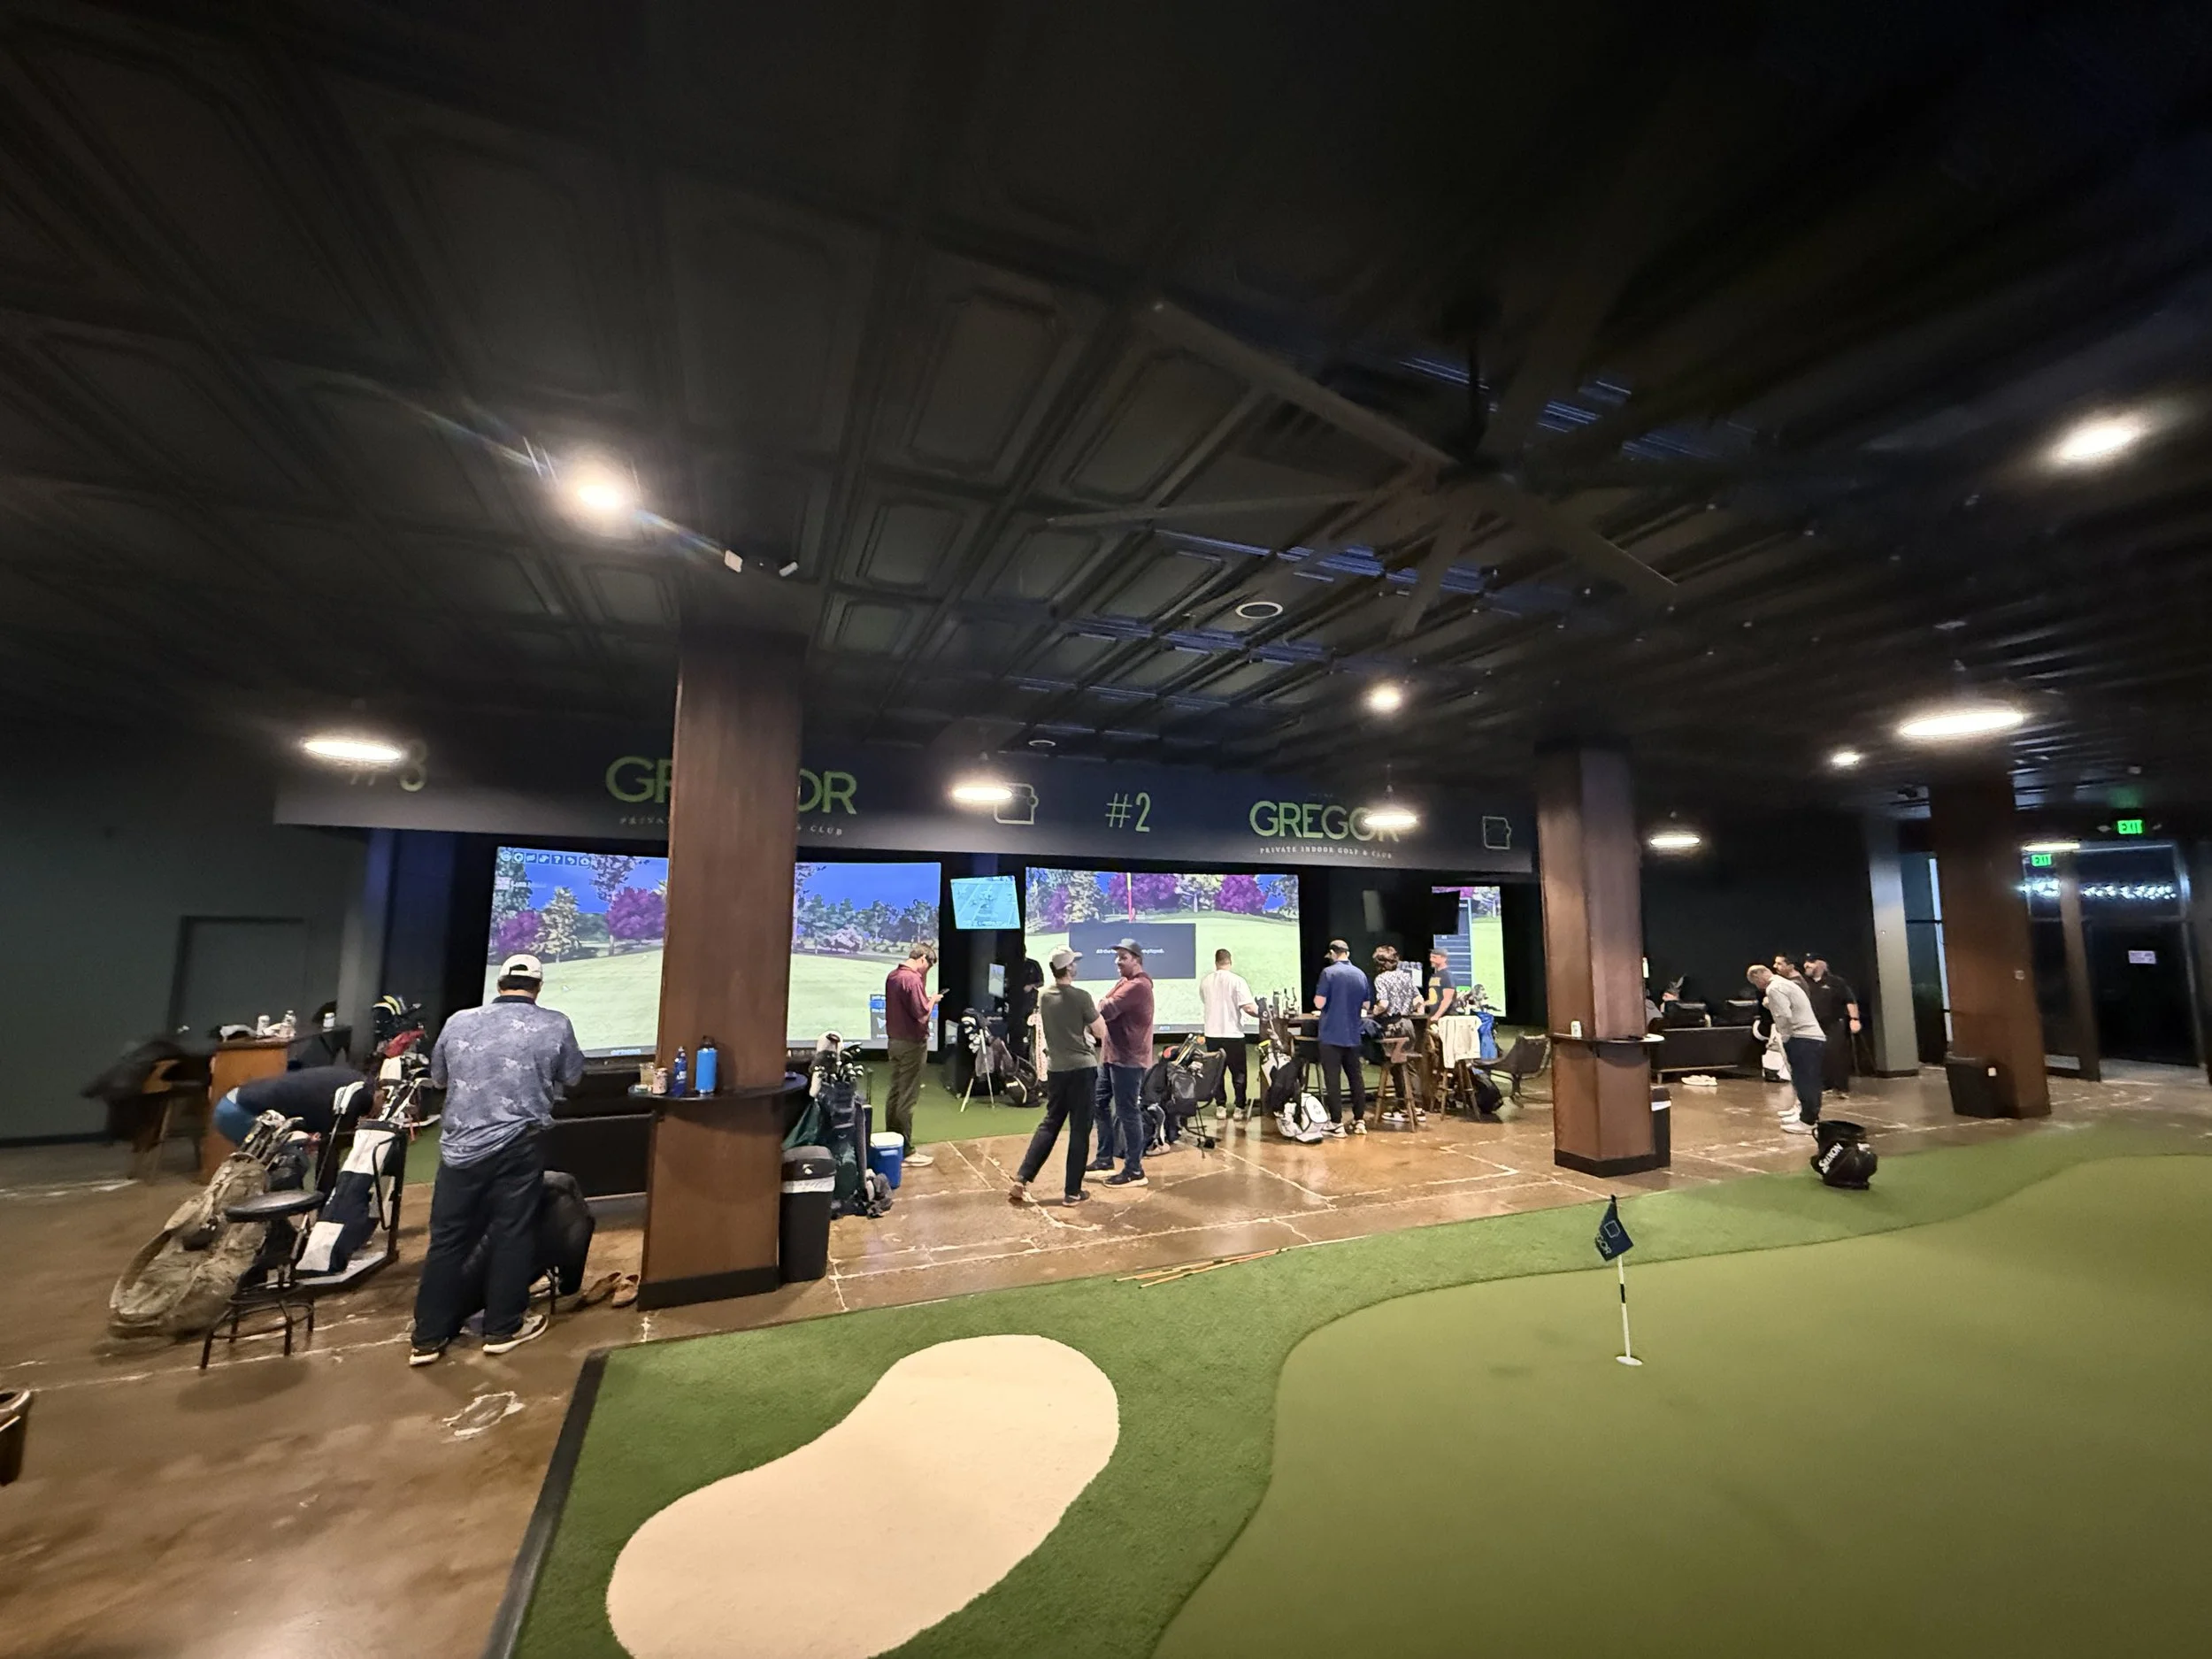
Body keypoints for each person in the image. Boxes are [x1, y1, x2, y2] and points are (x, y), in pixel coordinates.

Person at [409, 953, 582, 1365]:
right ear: (537, 987)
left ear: (500, 984)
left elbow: (439, 1078)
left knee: (447, 1240)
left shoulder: (458, 1021)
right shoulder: (555, 1023)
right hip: (519, 1145)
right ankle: (502, 1328)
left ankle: (427, 1338)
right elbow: (573, 1076)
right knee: (512, 1232)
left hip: (459, 1148)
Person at [1009, 949, 1106, 1207]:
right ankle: (1072, 1192)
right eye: (1074, 963)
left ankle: (1022, 1178)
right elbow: (1101, 1032)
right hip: (1082, 1069)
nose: (1076, 966)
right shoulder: (1081, 996)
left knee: (1050, 1123)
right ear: (1069, 968)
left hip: (1056, 1070)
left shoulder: (1043, 995)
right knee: (1080, 1129)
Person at [1088, 939, 1156, 1187]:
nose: (1118, 962)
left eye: (1123, 957)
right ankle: (1104, 1159)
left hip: (1128, 1059)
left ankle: (1134, 1169)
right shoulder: (1125, 982)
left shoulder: (1138, 986)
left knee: (1128, 1112)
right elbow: (1104, 1005)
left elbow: (1105, 1008)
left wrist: (1103, 1004)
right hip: (1111, 1056)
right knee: (1099, 1103)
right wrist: (1103, 1004)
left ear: (1137, 960)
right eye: (1117, 957)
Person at [883, 942, 942, 1170]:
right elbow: (922, 1014)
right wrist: (933, 1000)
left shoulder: (893, 976)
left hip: (894, 1042)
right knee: (907, 1097)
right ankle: (906, 1151)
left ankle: (892, 1142)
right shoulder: (912, 980)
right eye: (928, 966)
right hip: (912, 1045)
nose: (927, 971)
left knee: (895, 1092)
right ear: (923, 959)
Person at [211, 1062, 366, 1148]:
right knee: (289, 1163)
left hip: (236, 1099)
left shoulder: (354, 1080)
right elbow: (325, 1140)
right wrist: (307, 1139)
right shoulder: (348, 1100)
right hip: (240, 1110)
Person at [1747, 963, 1824, 1136]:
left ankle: (1809, 1121)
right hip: (1809, 1037)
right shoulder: (1784, 984)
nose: (1758, 987)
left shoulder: (1774, 988)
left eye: (1755, 983)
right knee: (1805, 1080)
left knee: (1805, 1081)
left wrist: (1785, 1037)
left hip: (1801, 1038)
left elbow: (1783, 1016)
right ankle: (1806, 1116)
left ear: (1758, 977)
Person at [1313, 939, 1371, 1135]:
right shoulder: (1360, 974)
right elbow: (1366, 1005)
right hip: (1353, 1034)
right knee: (1356, 1078)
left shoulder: (1328, 973)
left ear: (1332, 953)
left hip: (1331, 1034)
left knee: (1333, 1079)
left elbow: (1319, 1003)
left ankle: (1336, 1123)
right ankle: (1360, 1120)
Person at [1198, 948, 1258, 1114]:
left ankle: (1221, 1106)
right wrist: (1262, 1013)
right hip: (1233, 1034)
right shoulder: (1237, 981)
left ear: (1216, 962)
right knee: (1238, 1073)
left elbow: (1205, 1000)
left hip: (1212, 1034)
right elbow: (1248, 1007)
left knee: (1217, 1072)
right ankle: (1239, 1107)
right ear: (1230, 962)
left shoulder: (1206, 981)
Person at [1371, 946, 1423, 1122]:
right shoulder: (1405, 976)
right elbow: (1418, 1000)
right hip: (1408, 1025)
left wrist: (1374, 1011)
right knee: (1409, 1066)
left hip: (1392, 1026)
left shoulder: (1381, 979)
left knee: (1394, 1065)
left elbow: (1384, 1004)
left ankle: (1403, 1108)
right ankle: (1417, 1107)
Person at [1802, 954, 1861, 1096]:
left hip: (1834, 1023)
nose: (1807, 965)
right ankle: (1824, 1086)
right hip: (1812, 1025)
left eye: (1811, 962)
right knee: (1817, 1055)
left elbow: (1849, 1001)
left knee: (1836, 1054)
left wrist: (1854, 1019)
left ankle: (1841, 1088)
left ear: (1822, 964)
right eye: (1806, 962)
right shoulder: (1804, 983)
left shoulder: (1836, 982)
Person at [1425, 947, 1458, 1018]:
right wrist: (1423, 1004)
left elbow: (1447, 999)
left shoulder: (1447, 975)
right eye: (1431, 957)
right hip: (1433, 1016)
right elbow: (1435, 999)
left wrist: (1437, 1016)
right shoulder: (1434, 976)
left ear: (1444, 959)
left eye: (1434, 957)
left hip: (1446, 1017)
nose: (1431, 960)